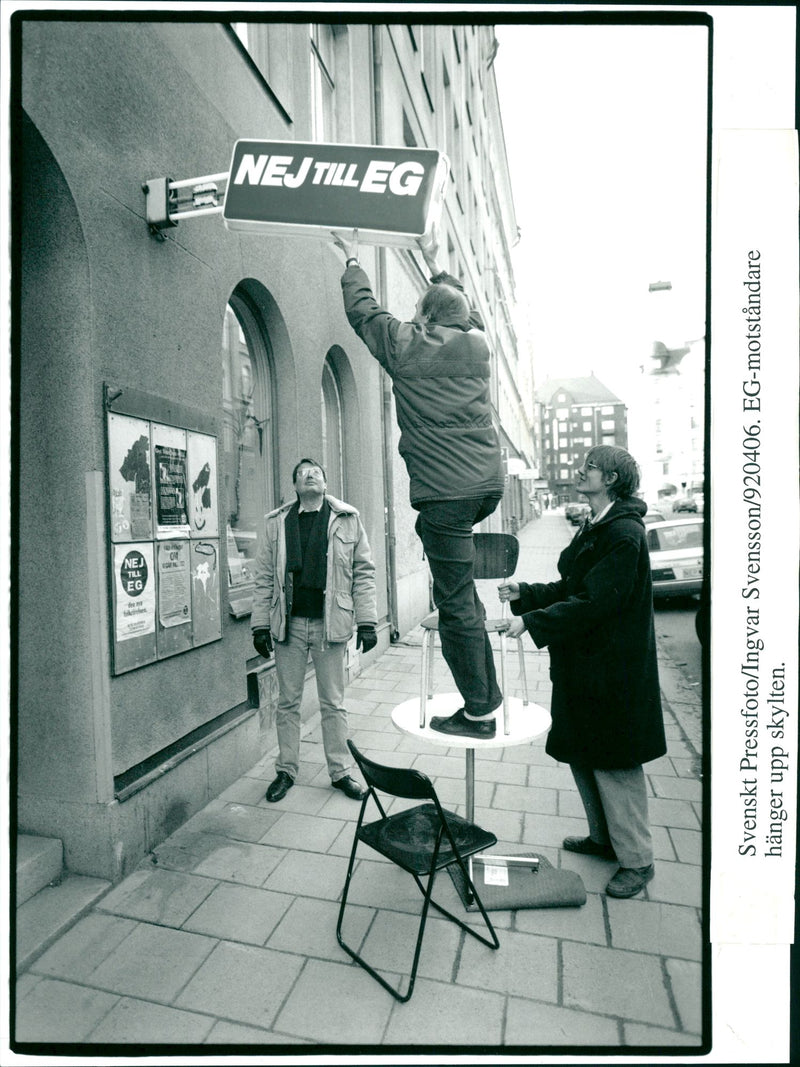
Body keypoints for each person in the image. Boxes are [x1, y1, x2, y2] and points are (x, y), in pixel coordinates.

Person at [332, 228, 505, 740]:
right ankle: (486, 695)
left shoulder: (407, 347)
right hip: (484, 488)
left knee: (452, 602)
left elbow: (364, 312)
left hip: (446, 495)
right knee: (462, 592)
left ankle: (478, 712)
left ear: (424, 317)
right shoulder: (478, 347)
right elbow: (460, 312)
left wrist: (352, 261)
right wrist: (437, 269)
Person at [499, 446, 666, 898]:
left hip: (613, 672)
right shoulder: (598, 523)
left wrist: (530, 622)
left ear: (610, 478)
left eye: (589, 466)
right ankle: (603, 838)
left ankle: (638, 860)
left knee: (614, 762)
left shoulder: (623, 532)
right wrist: (526, 593)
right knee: (583, 752)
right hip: (586, 665)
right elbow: (574, 586)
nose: (579, 470)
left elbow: (597, 603)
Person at [251, 459, 378, 803]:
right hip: (288, 626)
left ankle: (340, 772)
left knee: (333, 703)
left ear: (325, 483)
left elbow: (363, 572)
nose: (310, 476)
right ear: (295, 486)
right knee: (287, 703)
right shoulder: (278, 523)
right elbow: (264, 577)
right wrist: (260, 624)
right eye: (303, 474)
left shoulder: (347, 519)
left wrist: (367, 621)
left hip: (329, 624)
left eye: (316, 472)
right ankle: (286, 770)